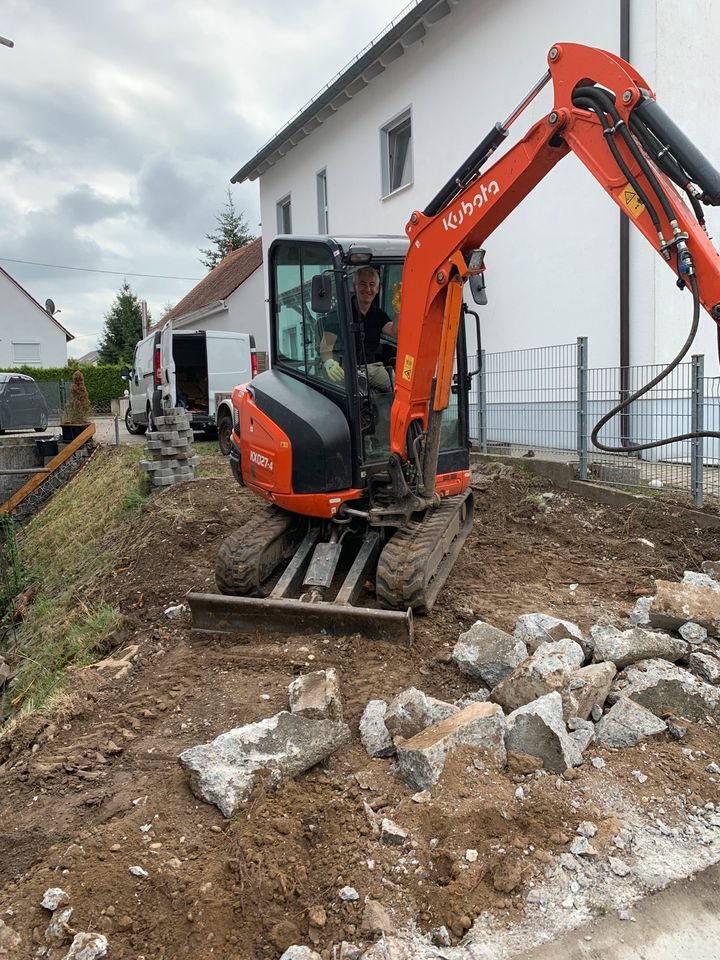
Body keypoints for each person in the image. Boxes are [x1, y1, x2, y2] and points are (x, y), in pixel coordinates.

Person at [320, 266, 398, 391]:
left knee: (399, 388)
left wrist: (398, 311)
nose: (368, 289)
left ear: (377, 289)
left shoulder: (378, 314)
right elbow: (326, 346)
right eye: (363, 284)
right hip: (346, 369)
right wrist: (329, 364)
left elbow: (396, 332)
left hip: (374, 368)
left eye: (372, 284)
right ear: (354, 286)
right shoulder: (339, 313)